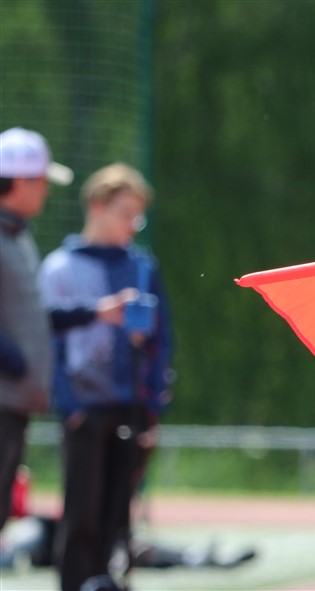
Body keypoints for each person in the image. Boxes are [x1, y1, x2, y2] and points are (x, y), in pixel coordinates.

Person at [37, 163, 174, 591]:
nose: (132, 224)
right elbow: (49, 342)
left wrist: (153, 404)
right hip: (84, 406)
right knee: (82, 511)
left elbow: (162, 340)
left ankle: (108, 583)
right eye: (124, 213)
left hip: (130, 405)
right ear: (97, 206)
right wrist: (69, 404)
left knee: (119, 511)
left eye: (138, 216)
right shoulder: (60, 268)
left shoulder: (142, 267)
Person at [0, 127, 73, 533]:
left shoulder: (17, 235)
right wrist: (15, 362)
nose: (46, 190)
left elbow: (33, 315)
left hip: (14, 401)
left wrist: (92, 313)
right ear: (22, 181)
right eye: (42, 181)